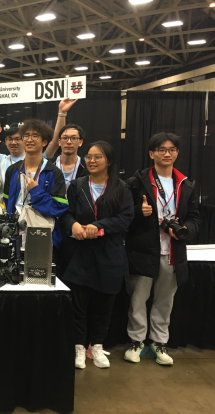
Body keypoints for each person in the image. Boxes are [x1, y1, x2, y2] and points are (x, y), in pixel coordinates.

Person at [124, 132, 200, 366]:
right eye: (161, 150)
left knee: (165, 300)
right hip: (143, 249)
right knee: (138, 298)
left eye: (171, 150)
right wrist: (139, 212)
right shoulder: (137, 181)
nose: (167, 154)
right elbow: (124, 213)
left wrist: (185, 229)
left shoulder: (186, 184)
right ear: (151, 153)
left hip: (172, 251)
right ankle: (136, 341)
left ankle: (159, 342)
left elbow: (195, 218)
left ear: (177, 153)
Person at [60, 141, 134, 369]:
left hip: (109, 255)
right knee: (79, 305)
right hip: (80, 254)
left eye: (98, 157)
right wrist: (72, 225)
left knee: (104, 305)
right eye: (89, 157)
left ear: (109, 161)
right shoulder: (77, 185)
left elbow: (125, 218)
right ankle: (79, 347)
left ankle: (97, 346)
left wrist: (98, 226)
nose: (92, 161)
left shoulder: (121, 188)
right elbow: (65, 213)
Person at [3, 119, 68, 251]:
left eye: (35, 136)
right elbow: (7, 201)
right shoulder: (13, 170)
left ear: (44, 142)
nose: (29, 139)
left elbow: (59, 207)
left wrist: (36, 191)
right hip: (15, 233)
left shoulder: (53, 172)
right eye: (26, 135)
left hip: (42, 233)